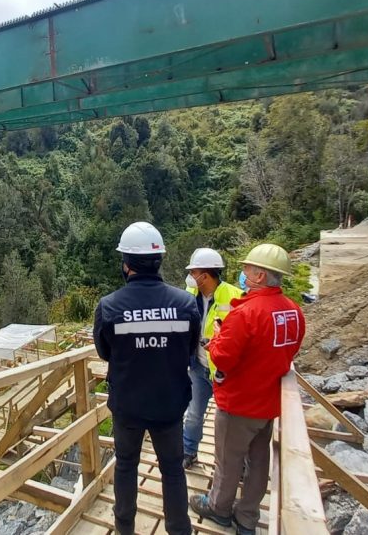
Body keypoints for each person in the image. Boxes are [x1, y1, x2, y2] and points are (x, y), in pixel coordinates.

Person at [190, 244, 305, 535]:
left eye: (247, 270)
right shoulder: (293, 311)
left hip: (239, 402)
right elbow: (291, 349)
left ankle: (219, 508)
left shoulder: (246, 312)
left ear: (260, 275)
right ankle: (248, 517)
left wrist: (215, 339)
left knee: (228, 461)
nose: (242, 274)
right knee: (258, 463)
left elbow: (224, 356)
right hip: (268, 402)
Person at [94, 221, 201, 535]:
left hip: (128, 407)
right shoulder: (185, 304)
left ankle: (124, 529)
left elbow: (104, 352)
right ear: (160, 260)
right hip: (170, 405)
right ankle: (179, 529)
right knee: (172, 470)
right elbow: (191, 350)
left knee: (126, 465)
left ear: (126, 264)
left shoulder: (110, 307)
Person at [182, 248, 244, 469]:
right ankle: (188, 452)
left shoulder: (235, 296)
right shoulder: (189, 293)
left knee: (231, 421)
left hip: (226, 372)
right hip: (198, 366)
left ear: (205, 275)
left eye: (194, 271)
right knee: (194, 414)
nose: (191, 276)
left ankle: (237, 464)